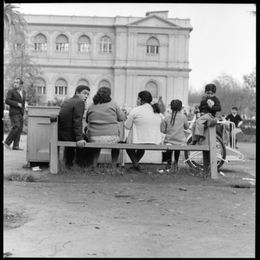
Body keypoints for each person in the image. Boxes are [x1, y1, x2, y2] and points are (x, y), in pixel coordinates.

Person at [85, 87, 126, 171]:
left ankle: (94, 165)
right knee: (116, 145)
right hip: (111, 137)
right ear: (109, 94)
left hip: (93, 138)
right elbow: (121, 118)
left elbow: (87, 119)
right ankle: (113, 166)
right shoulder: (113, 104)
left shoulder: (91, 105)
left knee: (96, 145)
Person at [124, 90, 162, 171]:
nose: (136, 100)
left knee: (128, 146)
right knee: (141, 147)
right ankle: (136, 166)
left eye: (138, 98)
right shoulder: (156, 110)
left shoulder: (136, 110)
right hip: (154, 141)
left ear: (141, 100)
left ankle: (136, 165)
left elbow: (127, 126)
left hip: (139, 141)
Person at [58, 85, 90, 168]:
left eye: (88, 95)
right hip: (68, 135)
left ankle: (69, 163)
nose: (86, 96)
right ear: (77, 92)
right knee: (88, 139)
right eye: (84, 93)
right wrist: (80, 139)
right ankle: (82, 165)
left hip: (62, 134)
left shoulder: (67, 101)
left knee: (81, 136)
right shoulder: (79, 102)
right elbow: (77, 121)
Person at [160, 99, 189, 172]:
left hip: (169, 141)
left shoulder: (166, 117)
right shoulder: (183, 117)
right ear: (181, 108)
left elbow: (162, 130)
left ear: (171, 107)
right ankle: (175, 163)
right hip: (180, 141)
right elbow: (187, 127)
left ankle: (169, 164)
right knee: (177, 147)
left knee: (169, 146)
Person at [4, 77, 26, 150]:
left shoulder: (23, 92)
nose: (15, 84)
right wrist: (17, 104)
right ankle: (7, 142)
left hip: (21, 113)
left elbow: (23, 103)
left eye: (17, 82)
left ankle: (16, 145)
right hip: (14, 113)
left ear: (21, 84)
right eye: (14, 82)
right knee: (16, 126)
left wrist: (24, 110)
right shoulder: (11, 91)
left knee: (19, 129)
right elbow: (7, 101)